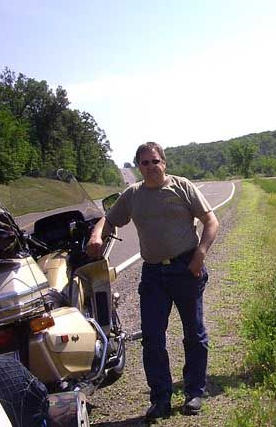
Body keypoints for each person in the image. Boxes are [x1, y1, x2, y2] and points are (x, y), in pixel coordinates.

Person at [86, 142, 219, 421]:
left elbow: (211, 221)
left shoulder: (181, 186)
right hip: (153, 275)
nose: (150, 167)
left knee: (194, 334)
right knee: (152, 339)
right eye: (144, 163)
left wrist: (199, 256)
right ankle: (160, 398)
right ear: (138, 166)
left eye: (154, 161)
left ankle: (194, 391)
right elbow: (108, 220)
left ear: (164, 163)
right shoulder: (133, 195)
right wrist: (97, 236)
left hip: (186, 268)